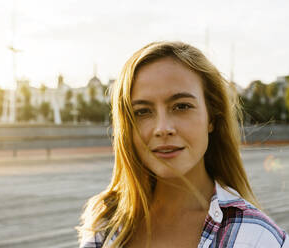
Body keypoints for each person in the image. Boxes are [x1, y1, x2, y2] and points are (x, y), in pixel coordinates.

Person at [77, 41, 288, 247]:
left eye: (181, 106)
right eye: (142, 111)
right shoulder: (106, 222)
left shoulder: (257, 237)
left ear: (212, 118)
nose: (162, 128)